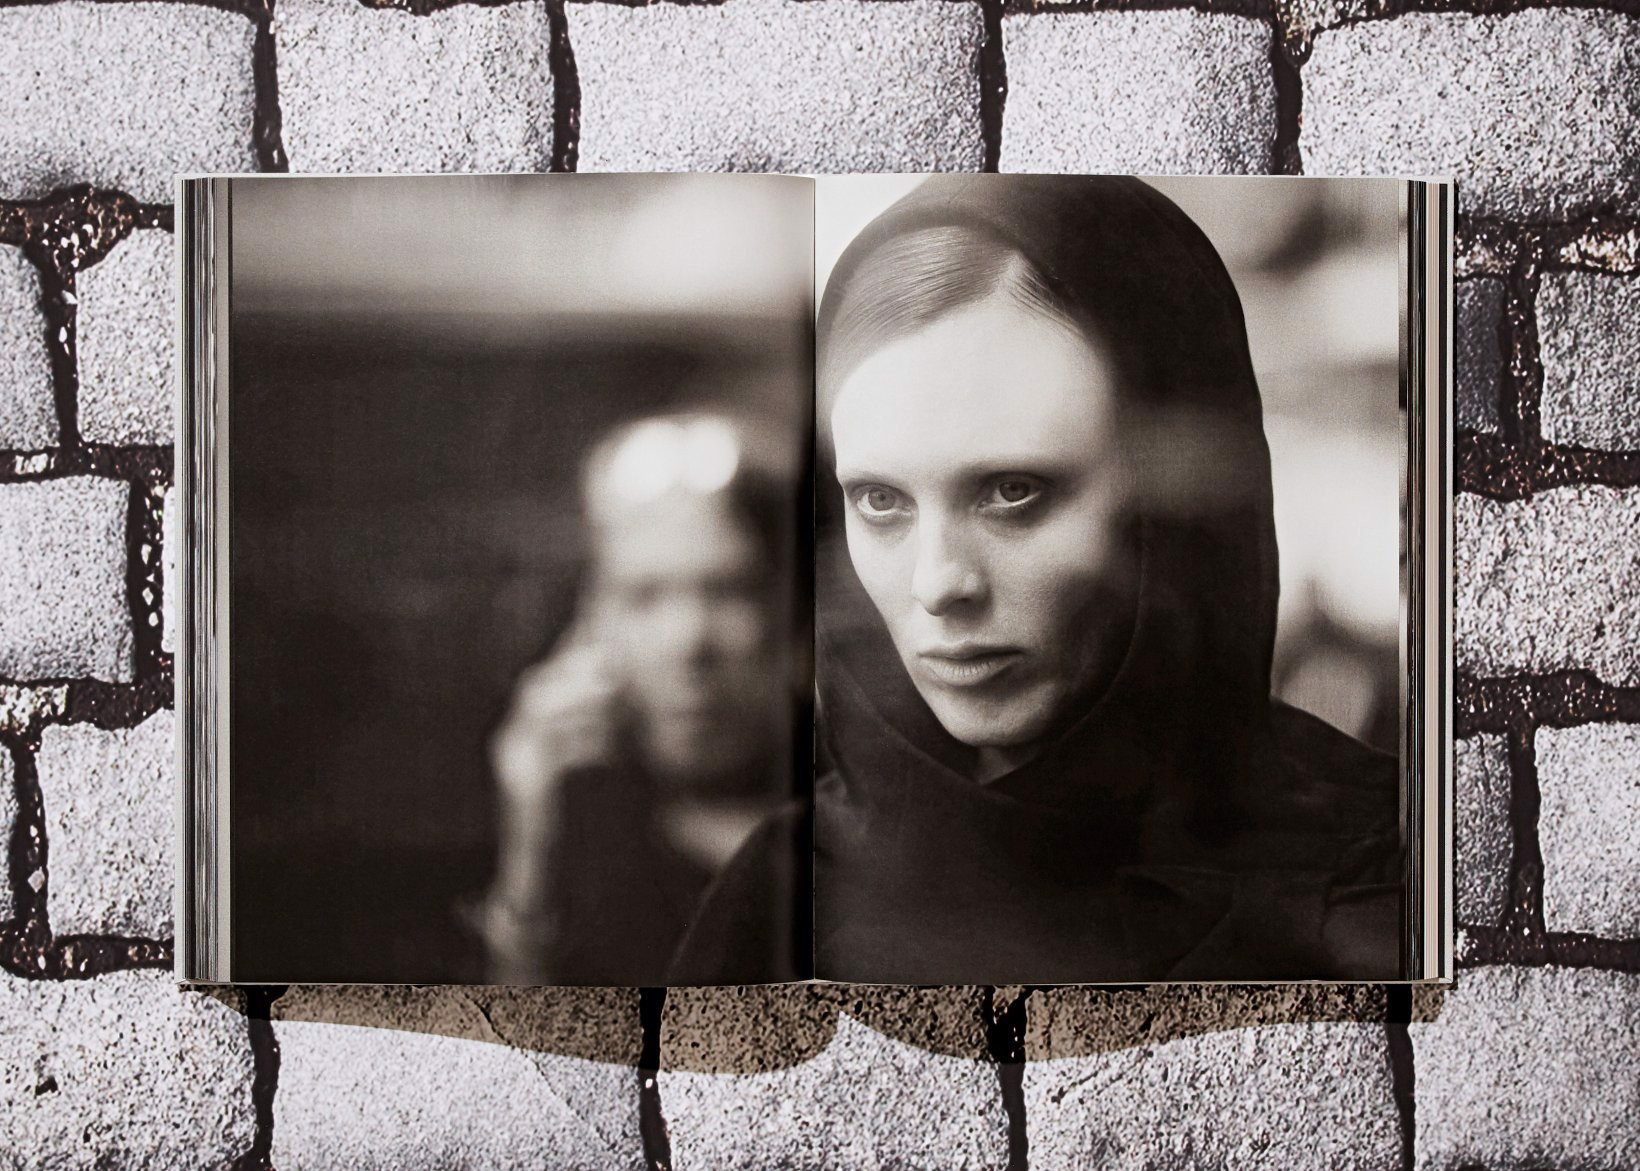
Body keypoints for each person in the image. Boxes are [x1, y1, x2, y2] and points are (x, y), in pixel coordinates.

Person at [810, 175, 1405, 983]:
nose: (939, 583)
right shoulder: (781, 887)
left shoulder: (1382, 889)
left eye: (1013, 491)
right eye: (880, 500)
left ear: (1163, 510)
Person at [480, 411, 805, 985]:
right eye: (643, 596)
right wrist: (530, 843)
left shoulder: (867, 804)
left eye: (729, 591)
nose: (688, 642)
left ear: (790, 609)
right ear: (592, 619)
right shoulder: (566, 805)